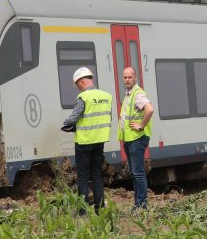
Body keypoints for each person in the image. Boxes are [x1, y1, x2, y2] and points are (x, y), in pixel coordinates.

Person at [62, 67, 112, 214]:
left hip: (84, 143)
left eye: (78, 85)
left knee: (83, 177)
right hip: (99, 142)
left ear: (82, 81)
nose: (78, 89)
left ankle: (82, 211)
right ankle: (100, 208)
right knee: (96, 175)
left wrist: (65, 123)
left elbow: (73, 118)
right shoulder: (106, 96)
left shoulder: (83, 98)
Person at [118, 66, 154, 211]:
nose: (127, 79)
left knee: (138, 172)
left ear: (135, 78)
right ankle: (138, 203)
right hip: (130, 138)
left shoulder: (137, 94)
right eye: (125, 77)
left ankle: (141, 204)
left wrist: (141, 125)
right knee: (134, 172)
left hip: (137, 138)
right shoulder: (128, 94)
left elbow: (149, 109)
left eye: (130, 77)